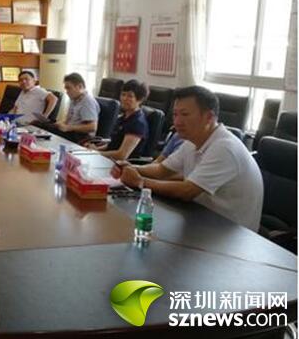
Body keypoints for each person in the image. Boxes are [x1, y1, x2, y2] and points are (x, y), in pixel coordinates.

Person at [113, 86, 263, 231]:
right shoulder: (192, 141)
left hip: (231, 234)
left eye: (184, 114)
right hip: (201, 219)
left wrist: (140, 182)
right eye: (175, 114)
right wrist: (130, 167)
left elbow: (187, 190)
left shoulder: (225, 147)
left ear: (209, 117)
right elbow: (161, 170)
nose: (177, 122)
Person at [91, 79, 149, 160]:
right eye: (123, 94)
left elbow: (122, 155)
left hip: (123, 164)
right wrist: (94, 150)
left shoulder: (138, 123)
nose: (124, 98)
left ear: (140, 100)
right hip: (109, 160)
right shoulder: (122, 117)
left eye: (130, 96)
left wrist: (96, 153)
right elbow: (113, 145)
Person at [38, 73, 99, 143]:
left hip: (80, 137)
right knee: (39, 124)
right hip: (71, 132)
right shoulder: (74, 100)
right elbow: (69, 120)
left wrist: (68, 128)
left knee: (44, 132)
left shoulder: (87, 101)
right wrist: (60, 123)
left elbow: (92, 127)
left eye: (69, 88)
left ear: (80, 86)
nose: (67, 92)